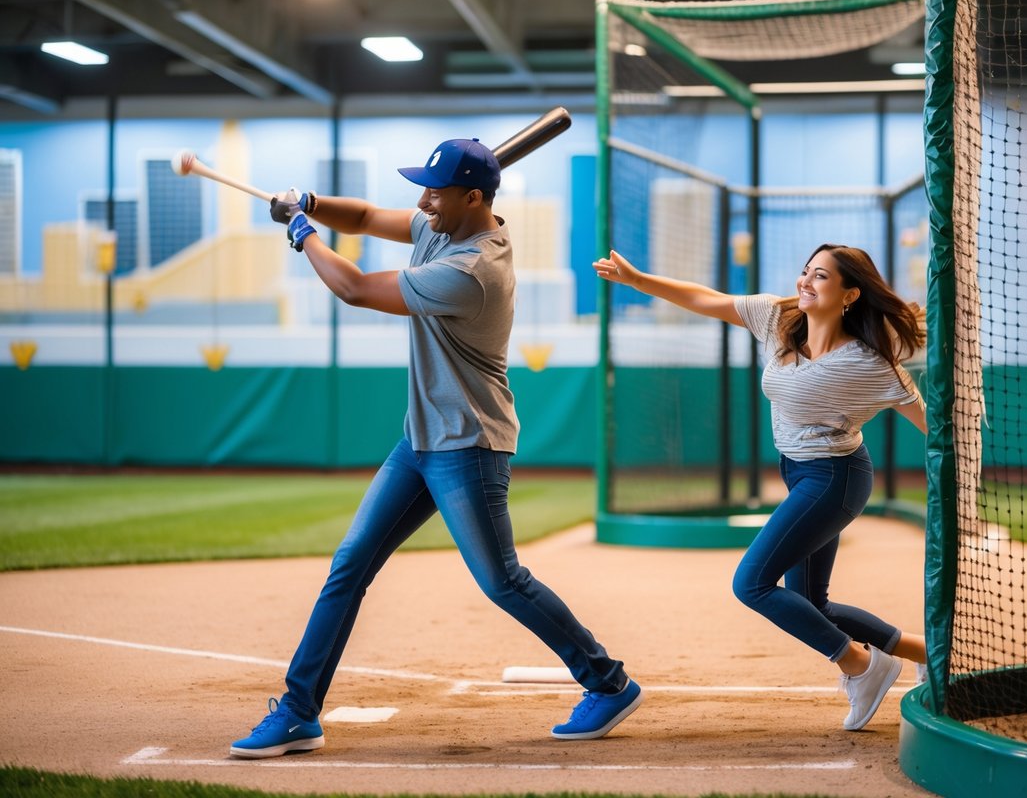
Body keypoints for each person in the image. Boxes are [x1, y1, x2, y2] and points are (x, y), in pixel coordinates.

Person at [230, 138, 641, 759]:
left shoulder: (470, 271)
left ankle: (608, 684)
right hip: (421, 438)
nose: (422, 200)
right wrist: (312, 201)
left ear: (473, 197)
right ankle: (298, 711)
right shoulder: (441, 223)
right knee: (350, 566)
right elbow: (367, 219)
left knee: (502, 582)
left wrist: (301, 232)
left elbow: (357, 288)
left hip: (468, 444)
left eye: (435, 190)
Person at [593, 243, 928, 731]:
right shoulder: (781, 319)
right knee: (812, 603)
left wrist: (970, 446)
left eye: (821, 277)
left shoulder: (870, 364)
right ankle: (929, 653)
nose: (805, 283)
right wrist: (639, 279)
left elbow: (933, 423)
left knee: (752, 584)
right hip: (798, 471)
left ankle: (862, 665)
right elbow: (708, 299)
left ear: (850, 294)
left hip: (835, 477)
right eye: (805, 271)